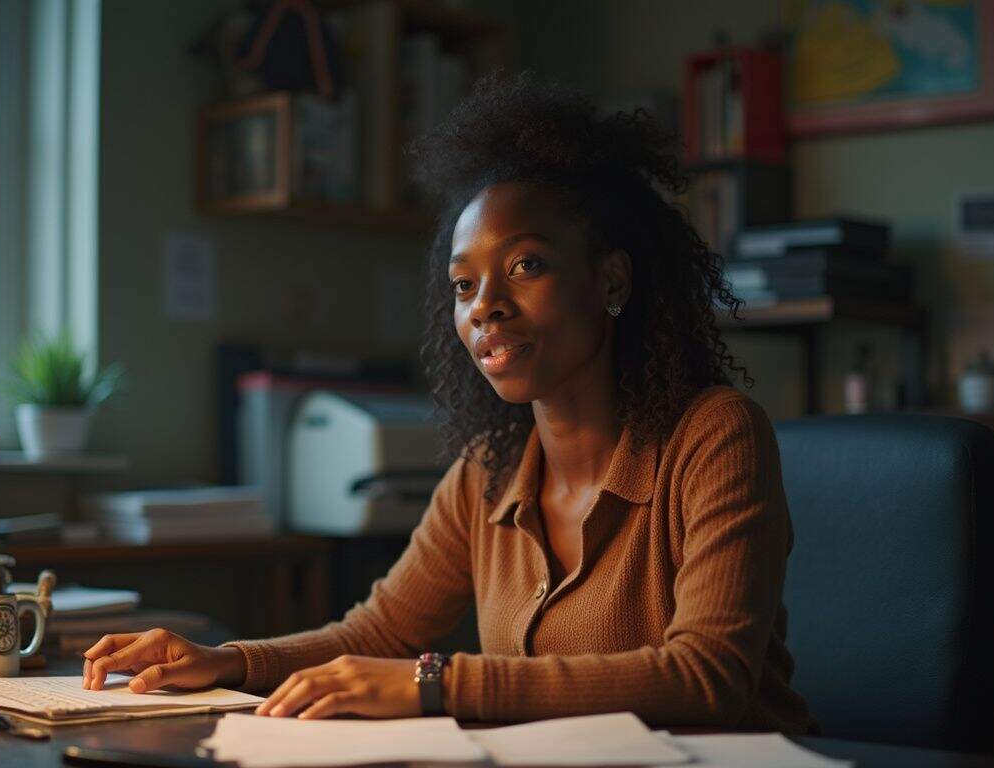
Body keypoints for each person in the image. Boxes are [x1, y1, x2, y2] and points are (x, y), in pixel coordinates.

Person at [82, 72, 816, 732]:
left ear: (612, 282)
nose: (485, 308)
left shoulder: (715, 435)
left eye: (526, 266)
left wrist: (434, 685)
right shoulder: (488, 471)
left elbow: (706, 678)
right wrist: (225, 660)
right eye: (465, 285)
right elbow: (377, 635)